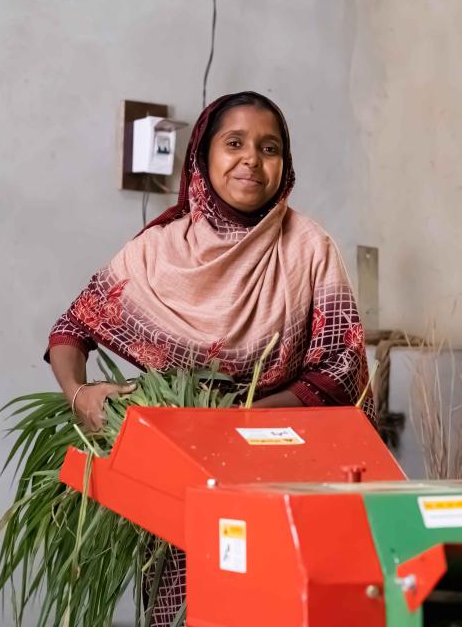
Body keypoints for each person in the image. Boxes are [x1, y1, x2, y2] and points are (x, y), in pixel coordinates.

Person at [46, 91, 374, 625]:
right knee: (186, 607)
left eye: (270, 148)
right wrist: (80, 394)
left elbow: (342, 368)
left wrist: (243, 421)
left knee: (277, 606)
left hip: (282, 475)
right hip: (178, 477)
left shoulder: (309, 249)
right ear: (202, 155)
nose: (252, 159)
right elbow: (72, 328)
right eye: (235, 143)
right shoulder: (157, 250)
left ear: (285, 167)